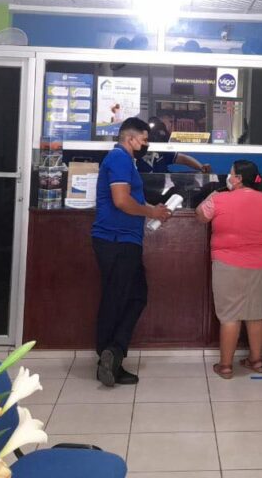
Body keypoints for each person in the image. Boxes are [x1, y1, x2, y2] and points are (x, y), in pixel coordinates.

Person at [92, 117, 172, 387]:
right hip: (116, 240)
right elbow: (121, 200)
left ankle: (112, 355)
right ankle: (110, 354)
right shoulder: (119, 159)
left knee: (133, 296)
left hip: (124, 240)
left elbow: (133, 198)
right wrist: (151, 212)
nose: (146, 145)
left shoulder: (126, 162)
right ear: (131, 138)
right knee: (119, 299)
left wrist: (154, 209)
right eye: (144, 140)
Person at [195, 160, 262, 379]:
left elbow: (200, 215)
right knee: (256, 313)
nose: (228, 177)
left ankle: (226, 366)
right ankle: (256, 361)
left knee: (230, 315)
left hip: (227, 262)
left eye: (230, 174)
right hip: (259, 262)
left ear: (238, 178)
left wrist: (212, 195)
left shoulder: (219, 199)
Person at [136, 118, 212, 174]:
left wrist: (201, 167)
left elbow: (184, 159)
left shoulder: (162, 153)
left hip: (162, 187)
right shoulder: (136, 156)